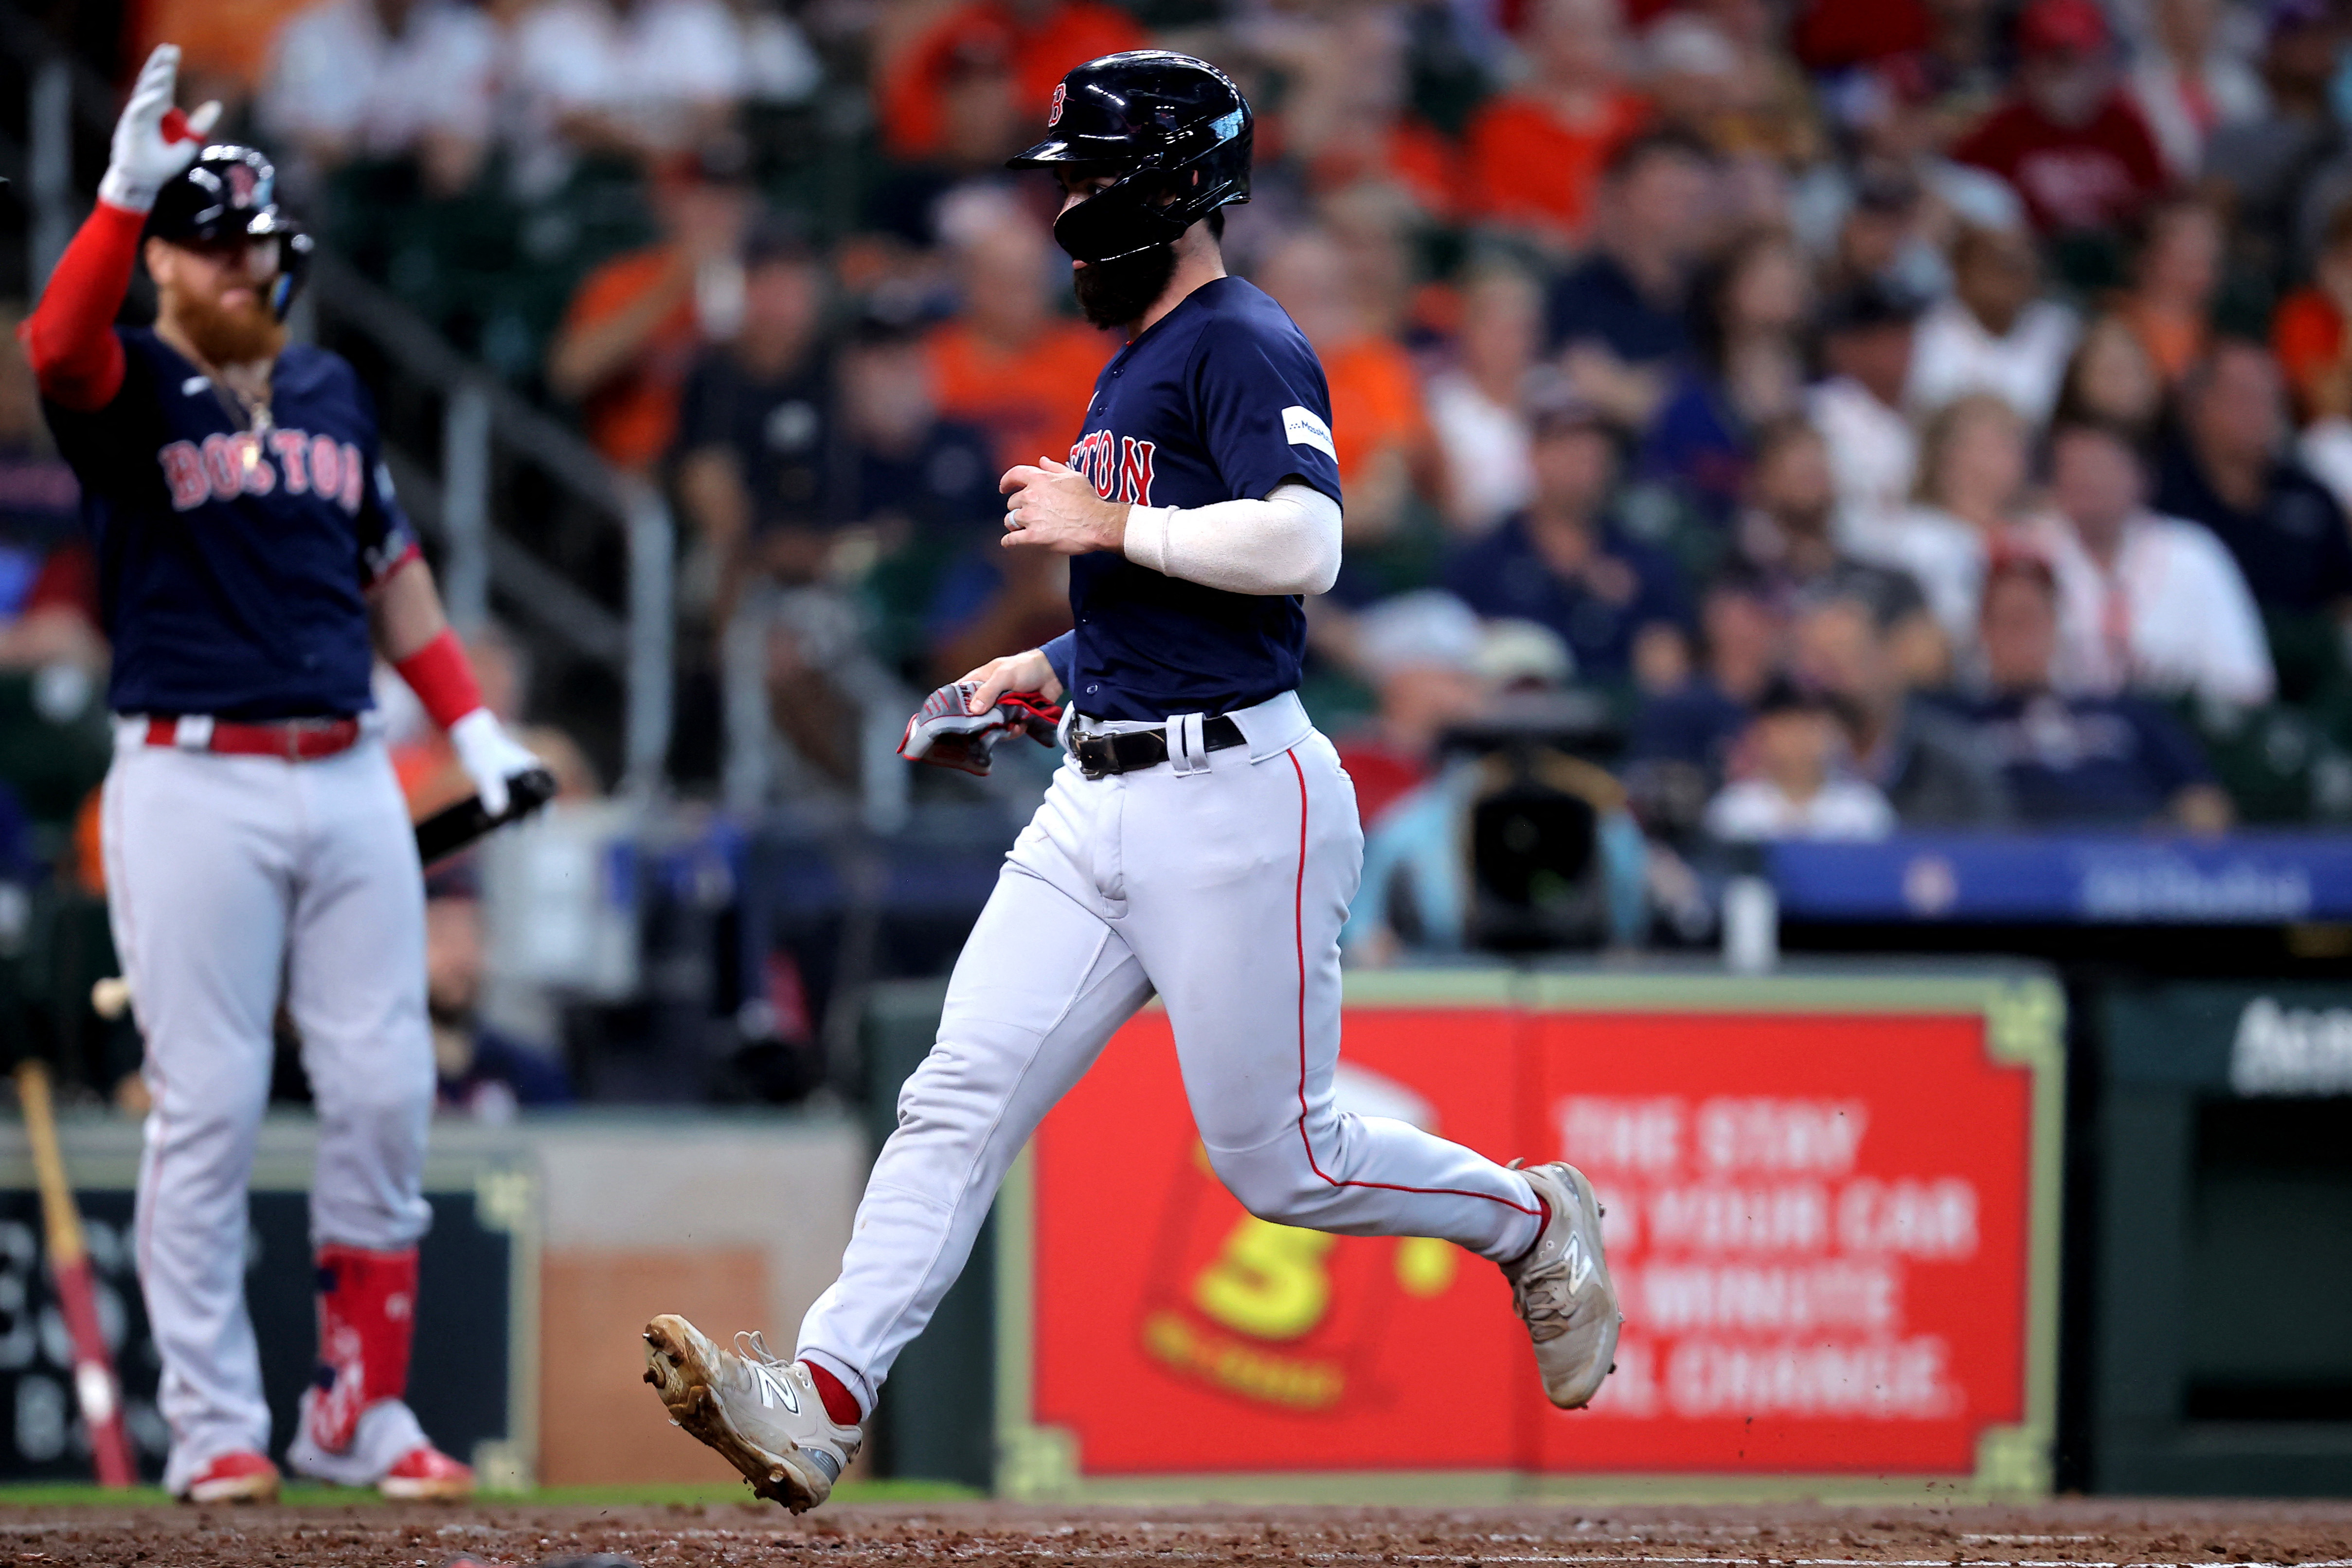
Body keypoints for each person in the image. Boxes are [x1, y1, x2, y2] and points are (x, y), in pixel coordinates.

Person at [640, 52, 1621, 1514]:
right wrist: (1042, 668)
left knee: (1284, 1164)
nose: (1072, 203)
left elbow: (1303, 547)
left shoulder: (1245, 336)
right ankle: (823, 1399)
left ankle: (1532, 1217)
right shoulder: (1143, 349)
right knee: (956, 1092)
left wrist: (1109, 522)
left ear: (1173, 184)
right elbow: (1165, 594)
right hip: (1101, 787)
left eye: (1093, 176)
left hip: (1241, 794)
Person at [19, 50, 545, 1501]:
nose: (253, 265)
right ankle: (212, 1423)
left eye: (263, 243)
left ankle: (357, 1410)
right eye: (223, 244)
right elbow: (57, 350)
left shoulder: (325, 385)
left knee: (386, 1092)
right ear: (171, 262)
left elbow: (392, 567)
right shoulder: (130, 382)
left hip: (348, 770)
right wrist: (121, 199)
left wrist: (472, 721)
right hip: (192, 776)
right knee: (212, 1102)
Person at [1953, 551, 2233, 829]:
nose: (2024, 635)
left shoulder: (2124, 712)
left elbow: (2205, 800)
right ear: (1984, 631)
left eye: (2034, 618)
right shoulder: (1958, 724)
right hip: (2019, 860)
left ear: (2055, 625)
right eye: (2011, 621)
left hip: (2128, 860)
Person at [1444, 390, 1688, 686]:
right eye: (1568, 448)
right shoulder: (1481, 562)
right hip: (1514, 722)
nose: (1585, 463)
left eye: (1597, 452)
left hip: (1614, 723)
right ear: (1534, 455)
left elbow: (1666, 670)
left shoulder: (1644, 562)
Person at [545, 141, 754, 474]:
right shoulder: (627, 279)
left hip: (736, 466)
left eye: (730, 197)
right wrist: (672, 288)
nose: (717, 211)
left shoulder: (763, 281)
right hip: (632, 472)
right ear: (668, 202)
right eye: (702, 195)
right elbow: (568, 373)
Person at [2043, 419, 2275, 707]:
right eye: (2077, 470)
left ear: (2141, 478)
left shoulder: (2194, 554)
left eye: (2103, 469)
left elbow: (2247, 684)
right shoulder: (2027, 554)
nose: (2091, 482)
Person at [2154, 339, 2352, 622]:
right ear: (2198, 405)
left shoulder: (2310, 496)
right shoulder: (2159, 489)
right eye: (2242, 396)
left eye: (2269, 397)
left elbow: (2343, 597)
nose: (2258, 411)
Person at [1546, 132, 1720, 431]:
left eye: (1693, 200)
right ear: (1619, 198)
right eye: (1665, 197)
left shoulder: (1723, 294)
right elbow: (1591, 384)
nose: (1681, 214)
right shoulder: (1579, 296)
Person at [1951, 0, 2169, 237]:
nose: (2070, 73)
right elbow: (1963, 198)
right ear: (2029, 62)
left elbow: (2160, 199)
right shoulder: (2001, 131)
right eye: (2056, 61)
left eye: (2080, 59)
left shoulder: (2125, 124)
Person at [1791, 593, 2012, 826]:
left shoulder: (1956, 768)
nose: (1832, 679)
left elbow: (1992, 851)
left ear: (1889, 658)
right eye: (1820, 662)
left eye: (1850, 657)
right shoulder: (1775, 764)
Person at [925, 198, 1108, 478]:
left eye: (1032, 282)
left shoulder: (1090, 355)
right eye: (1006, 283)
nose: (1023, 299)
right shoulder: (932, 358)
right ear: (971, 283)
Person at [1639, 226, 1813, 519]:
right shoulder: (1689, 397)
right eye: (1765, 276)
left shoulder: (1824, 392)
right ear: (1726, 293)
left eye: (1788, 275)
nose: (1780, 285)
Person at [256, 0, 497, 197]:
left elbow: (455, 166)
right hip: (327, 208)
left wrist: (370, 138)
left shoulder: (466, 33)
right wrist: (408, 138)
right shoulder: (309, 32)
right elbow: (320, 149)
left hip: (424, 209)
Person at [1461, 0, 1651, 247]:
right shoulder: (1502, 125)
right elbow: (1497, 212)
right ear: (1537, 37)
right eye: (1574, 29)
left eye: (1603, 30)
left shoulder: (1644, 120)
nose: (1589, 43)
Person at [1905, 222, 2081, 423]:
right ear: (1962, 270)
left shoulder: (2061, 329)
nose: (2009, 277)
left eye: (2019, 266)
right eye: (1997, 263)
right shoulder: (1925, 333)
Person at [1703, 677, 1899, 840]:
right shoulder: (1736, 809)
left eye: (1810, 729)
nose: (1799, 741)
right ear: (1762, 735)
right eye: (1787, 729)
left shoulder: (1862, 809)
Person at [1425, 267, 1542, 535]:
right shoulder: (1442, 404)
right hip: (1476, 540)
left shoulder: (1555, 396)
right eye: (1495, 328)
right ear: (1468, 332)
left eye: (1519, 329)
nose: (1508, 343)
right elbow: (1449, 504)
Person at [1808, 281, 1923, 525]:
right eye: (1884, 338)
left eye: (1905, 335)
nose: (1902, 350)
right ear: (1843, 348)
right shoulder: (1821, 413)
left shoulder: (1919, 407)